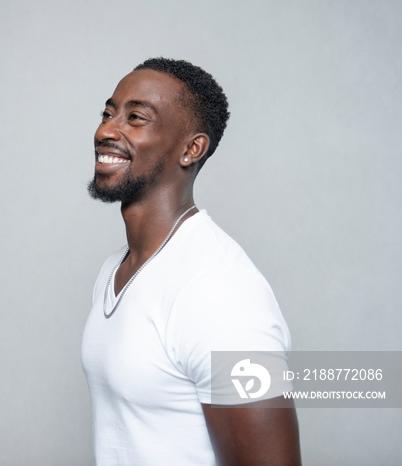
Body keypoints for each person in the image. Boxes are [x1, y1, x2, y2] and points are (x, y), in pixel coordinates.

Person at [81, 58, 301, 465]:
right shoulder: (115, 271)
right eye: (108, 113)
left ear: (191, 149)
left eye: (135, 118)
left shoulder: (218, 290)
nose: (106, 131)